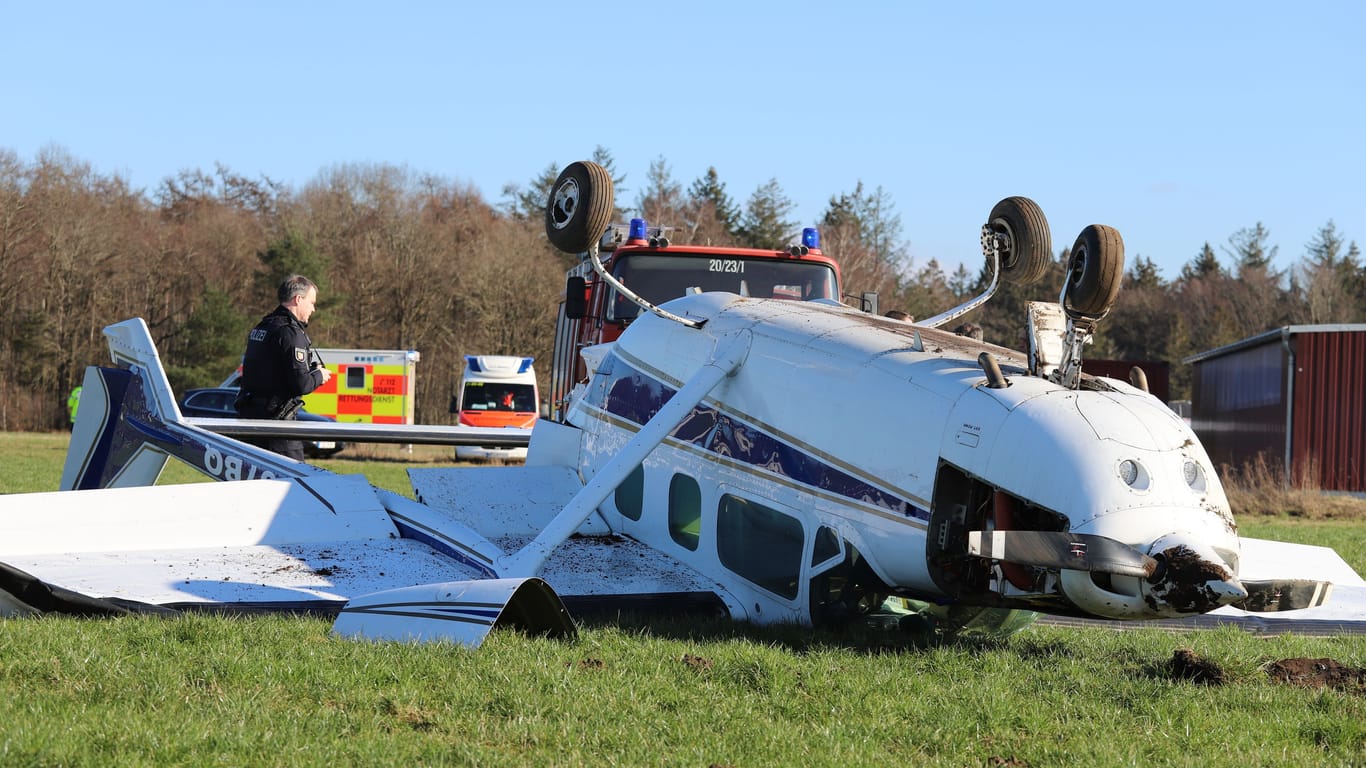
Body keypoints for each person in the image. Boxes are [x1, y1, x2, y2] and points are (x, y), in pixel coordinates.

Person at [235, 275, 333, 460]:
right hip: (278, 430)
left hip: (250, 423)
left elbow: (271, 373)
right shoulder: (289, 333)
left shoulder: (263, 326)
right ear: (298, 299)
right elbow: (301, 385)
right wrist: (319, 375)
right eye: (311, 302)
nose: (313, 308)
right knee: (294, 484)